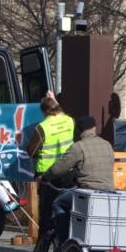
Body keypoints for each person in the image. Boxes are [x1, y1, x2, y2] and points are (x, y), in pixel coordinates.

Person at [41, 115, 116, 247]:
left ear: (79, 131)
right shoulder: (107, 145)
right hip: (108, 193)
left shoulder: (78, 147)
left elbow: (60, 167)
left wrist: (45, 177)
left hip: (87, 192)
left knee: (58, 203)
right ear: (94, 128)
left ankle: (64, 243)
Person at [27, 90, 75, 236]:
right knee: (65, 207)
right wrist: (54, 100)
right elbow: (62, 113)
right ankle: (64, 241)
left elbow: (33, 152)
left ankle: (43, 246)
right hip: (68, 172)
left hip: (47, 176)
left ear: (43, 112)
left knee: (46, 210)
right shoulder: (69, 120)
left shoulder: (42, 127)